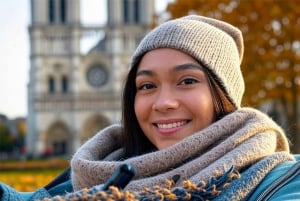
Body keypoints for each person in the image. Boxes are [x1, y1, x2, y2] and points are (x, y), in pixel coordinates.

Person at [1, 15, 300, 201]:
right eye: (146, 86)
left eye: (186, 80)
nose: (163, 102)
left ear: (224, 94)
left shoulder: (282, 179)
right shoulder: (100, 171)